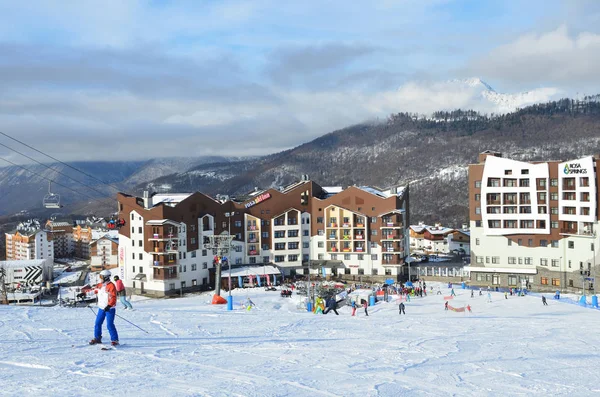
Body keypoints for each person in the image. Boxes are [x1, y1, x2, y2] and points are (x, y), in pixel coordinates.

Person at [89, 270, 119, 346]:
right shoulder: (100, 285)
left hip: (109, 309)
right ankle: (97, 338)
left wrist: (109, 306)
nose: (100, 278)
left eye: (101, 277)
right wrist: (84, 293)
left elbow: (113, 297)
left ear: (106, 277)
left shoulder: (111, 286)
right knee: (98, 323)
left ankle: (115, 340)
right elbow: (94, 290)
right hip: (101, 308)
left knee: (109, 324)